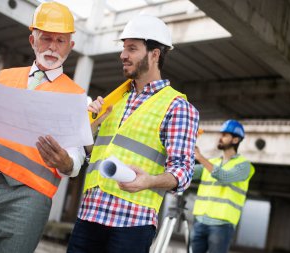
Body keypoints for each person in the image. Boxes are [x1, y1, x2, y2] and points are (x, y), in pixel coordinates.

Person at [0, 2, 86, 253]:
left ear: (71, 46)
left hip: (28, 196)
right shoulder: (4, 76)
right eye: (46, 38)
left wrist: (66, 162)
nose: (53, 47)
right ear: (32, 39)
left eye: (60, 40)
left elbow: (76, 157)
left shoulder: (75, 96)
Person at [66, 14, 199, 253]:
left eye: (132, 48)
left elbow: (183, 172)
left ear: (154, 54)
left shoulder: (177, 107)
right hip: (89, 215)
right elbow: (94, 156)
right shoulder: (115, 100)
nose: (123, 55)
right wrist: (91, 128)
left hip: (131, 223)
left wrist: (149, 181)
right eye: (123, 48)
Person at [191, 120, 255, 253]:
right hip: (200, 221)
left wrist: (200, 157)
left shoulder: (244, 166)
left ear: (235, 139)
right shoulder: (212, 162)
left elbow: (225, 177)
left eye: (225, 135)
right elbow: (189, 172)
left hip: (221, 225)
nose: (220, 138)